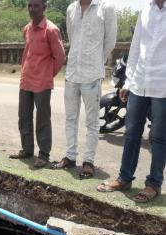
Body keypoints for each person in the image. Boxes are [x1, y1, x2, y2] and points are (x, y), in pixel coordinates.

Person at [97, 0, 166, 203]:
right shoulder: (146, 9)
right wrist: (128, 81)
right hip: (139, 82)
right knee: (131, 134)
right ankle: (125, 178)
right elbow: (136, 48)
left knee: (159, 138)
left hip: (162, 86)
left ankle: (153, 184)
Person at [52, 0, 117, 178]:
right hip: (72, 72)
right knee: (70, 118)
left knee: (92, 122)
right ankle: (70, 156)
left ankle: (88, 161)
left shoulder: (106, 7)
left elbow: (110, 41)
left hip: (92, 75)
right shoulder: (71, 8)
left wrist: (97, 62)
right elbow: (73, 37)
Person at [9, 0, 65, 167]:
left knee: (42, 120)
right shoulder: (27, 28)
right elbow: (27, 54)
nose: (32, 9)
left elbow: (60, 57)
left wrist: (48, 74)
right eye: (30, 6)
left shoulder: (51, 30)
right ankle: (27, 150)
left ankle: (44, 154)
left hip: (42, 82)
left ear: (44, 7)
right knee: (24, 117)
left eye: (36, 6)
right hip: (26, 80)